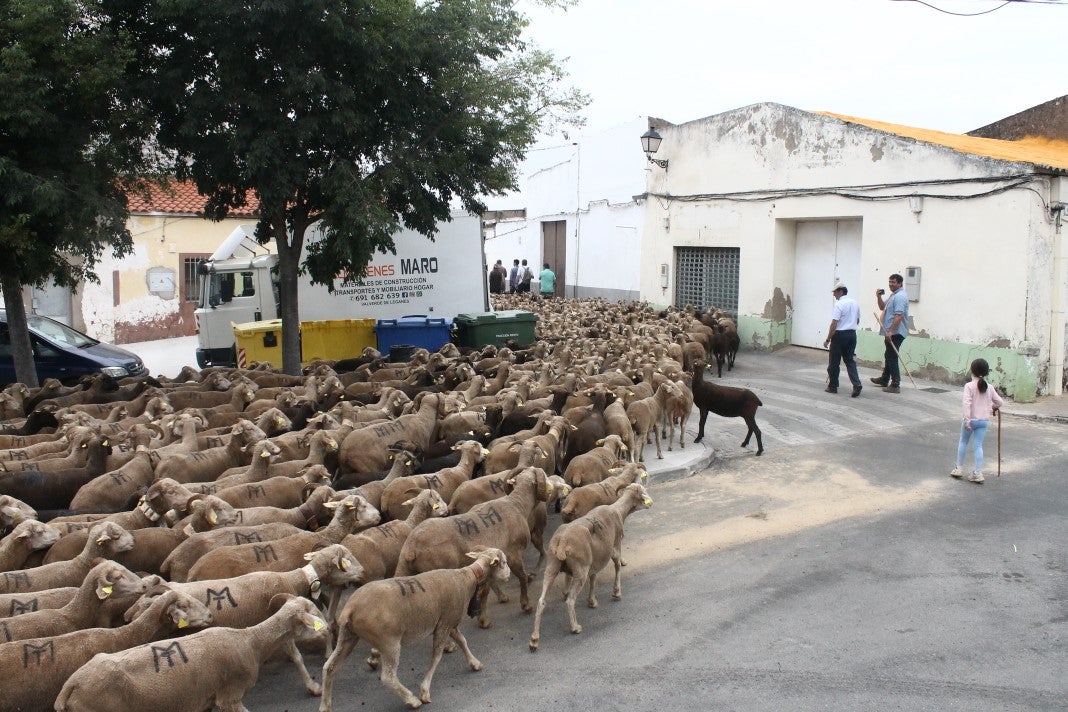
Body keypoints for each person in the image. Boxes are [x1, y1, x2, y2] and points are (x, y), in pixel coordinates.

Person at [952, 358, 1004, 484]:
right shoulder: (990, 387)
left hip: (971, 420)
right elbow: (999, 402)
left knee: (963, 441)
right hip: (983, 421)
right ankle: (978, 473)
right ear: (986, 372)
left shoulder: (969, 386)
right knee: (978, 446)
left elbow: (966, 404)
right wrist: (993, 407)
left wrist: (967, 420)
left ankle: (958, 468)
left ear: (972, 371)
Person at [871, 273, 909, 393]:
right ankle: (884, 378)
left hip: (896, 333)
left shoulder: (900, 297)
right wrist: (878, 297)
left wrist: (891, 331)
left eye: (893, 282)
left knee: (892, 356)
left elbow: (899, 316)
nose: (891, 284)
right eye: (890, 282)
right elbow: (882, 308)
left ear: (900, 283)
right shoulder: (893, 295)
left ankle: (895, 384)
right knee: (888, 355)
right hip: (890, 332)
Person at [823, 281, 862, 397]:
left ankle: (833, 386)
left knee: (834, 362)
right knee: (849, 361)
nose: (834, 294)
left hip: (839, 335)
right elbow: (858, 320)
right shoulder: (855, 303)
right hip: (852, 334)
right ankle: (856, 383)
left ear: (840, 291)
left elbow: (834, 323)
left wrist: (828, 339)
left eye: (835, 292)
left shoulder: (839, 304)